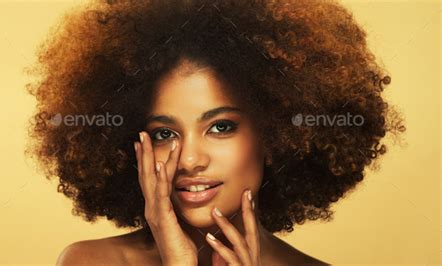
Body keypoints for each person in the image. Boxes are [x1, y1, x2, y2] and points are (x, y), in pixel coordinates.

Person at [26, 0, 405, 265]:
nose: (190, 159)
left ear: (274, 136)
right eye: (163, 134)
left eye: (221, 127)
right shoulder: (92, 263)